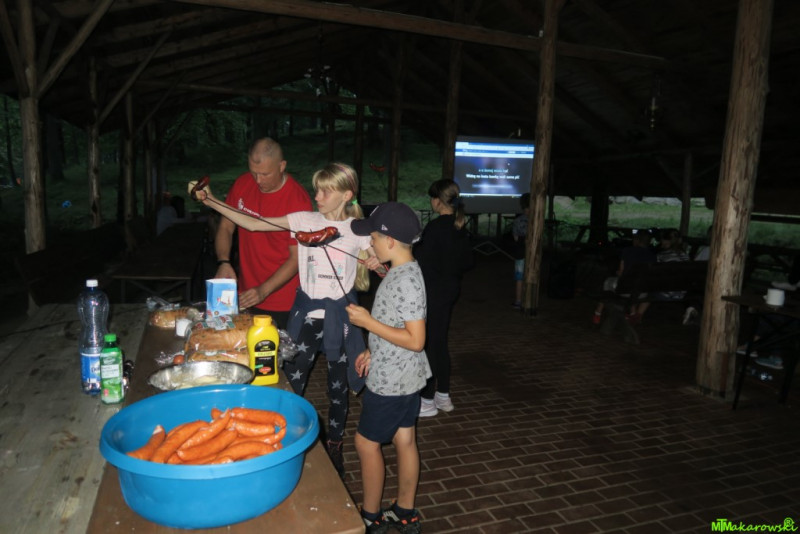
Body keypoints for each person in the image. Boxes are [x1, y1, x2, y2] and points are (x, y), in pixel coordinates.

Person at [194, 162, 377, 478]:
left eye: (325, 191)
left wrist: (376, 259)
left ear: (347, 194)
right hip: (307, 316)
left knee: (338, 390)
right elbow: (253, 224)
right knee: (291, 380)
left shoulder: (357, 230)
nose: (317, 196)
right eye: (316, 189)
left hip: (341, 318)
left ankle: (334, 444)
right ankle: (281, 437)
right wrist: (211, 201)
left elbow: (389, 257)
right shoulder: (304, 220)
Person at [346, 202, 430, 534]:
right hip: (405, 375)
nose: (370, 244)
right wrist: (374, 348)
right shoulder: (403, 270)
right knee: (404, 439)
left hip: (391, 382)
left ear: (390, 241)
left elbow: (416, 340)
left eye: (374, 239)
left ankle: (371, 515)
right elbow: (395, 319)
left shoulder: (405, 281)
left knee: (366, 443)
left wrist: (368, 323)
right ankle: (404, 511)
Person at [213, 138, 312, 327]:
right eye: (254, 172)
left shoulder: (298, 201)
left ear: (281, 166)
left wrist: (263, 291)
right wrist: (223, 261)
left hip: (282, 300)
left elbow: (296, 259)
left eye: (265, 174)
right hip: (246, 293)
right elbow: (226, 226)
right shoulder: (242, 183)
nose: (258, 180)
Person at [413, 179, 473, 417]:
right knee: (440, 341)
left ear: (437, 201)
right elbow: (468, 261)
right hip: (450, 289)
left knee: (430, 343)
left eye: (432, 197)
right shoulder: (460, 227)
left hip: (433, 291)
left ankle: (427, 399)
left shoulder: (436, 227)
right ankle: (443, 395)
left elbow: (421, 259)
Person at [592, 229, 656, 325]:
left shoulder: (627, 251)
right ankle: (633, 314)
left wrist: (618, 273)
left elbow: (621, 272)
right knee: (635, 284)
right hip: (643, 292)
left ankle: (598, 312)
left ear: (637, 240)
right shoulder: (652, 256)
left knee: (608, 281)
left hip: (625, 290)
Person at [627, 228, 689, 324]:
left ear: (666, 241)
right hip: (682, 293)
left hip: (666, 293)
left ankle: (637, 315)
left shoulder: (662, 256)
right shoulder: (685, 256)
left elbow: (654, 276)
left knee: (644, 289)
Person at [511, 193, 530, 309]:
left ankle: (518, 301)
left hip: (520, 251)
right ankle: (528, 299)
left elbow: (515, 237)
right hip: (532, 252)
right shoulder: (536, 219)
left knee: (519, 276)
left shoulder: (518, 220)